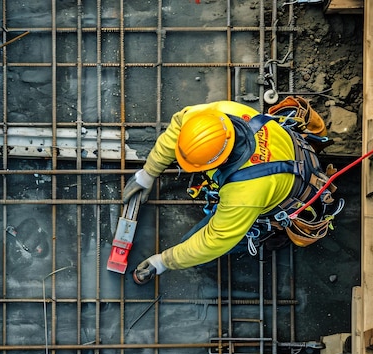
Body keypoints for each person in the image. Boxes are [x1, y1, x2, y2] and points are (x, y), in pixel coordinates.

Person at [122, 97, 342, 285]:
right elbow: (179, 127)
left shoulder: (245, 193)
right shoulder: (218, 115)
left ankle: (270, 236)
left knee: (196, 248)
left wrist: (163, 261)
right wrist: (148, 173)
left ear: (219, 160)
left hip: (290, 191)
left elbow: (214, 241)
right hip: (290, 154)